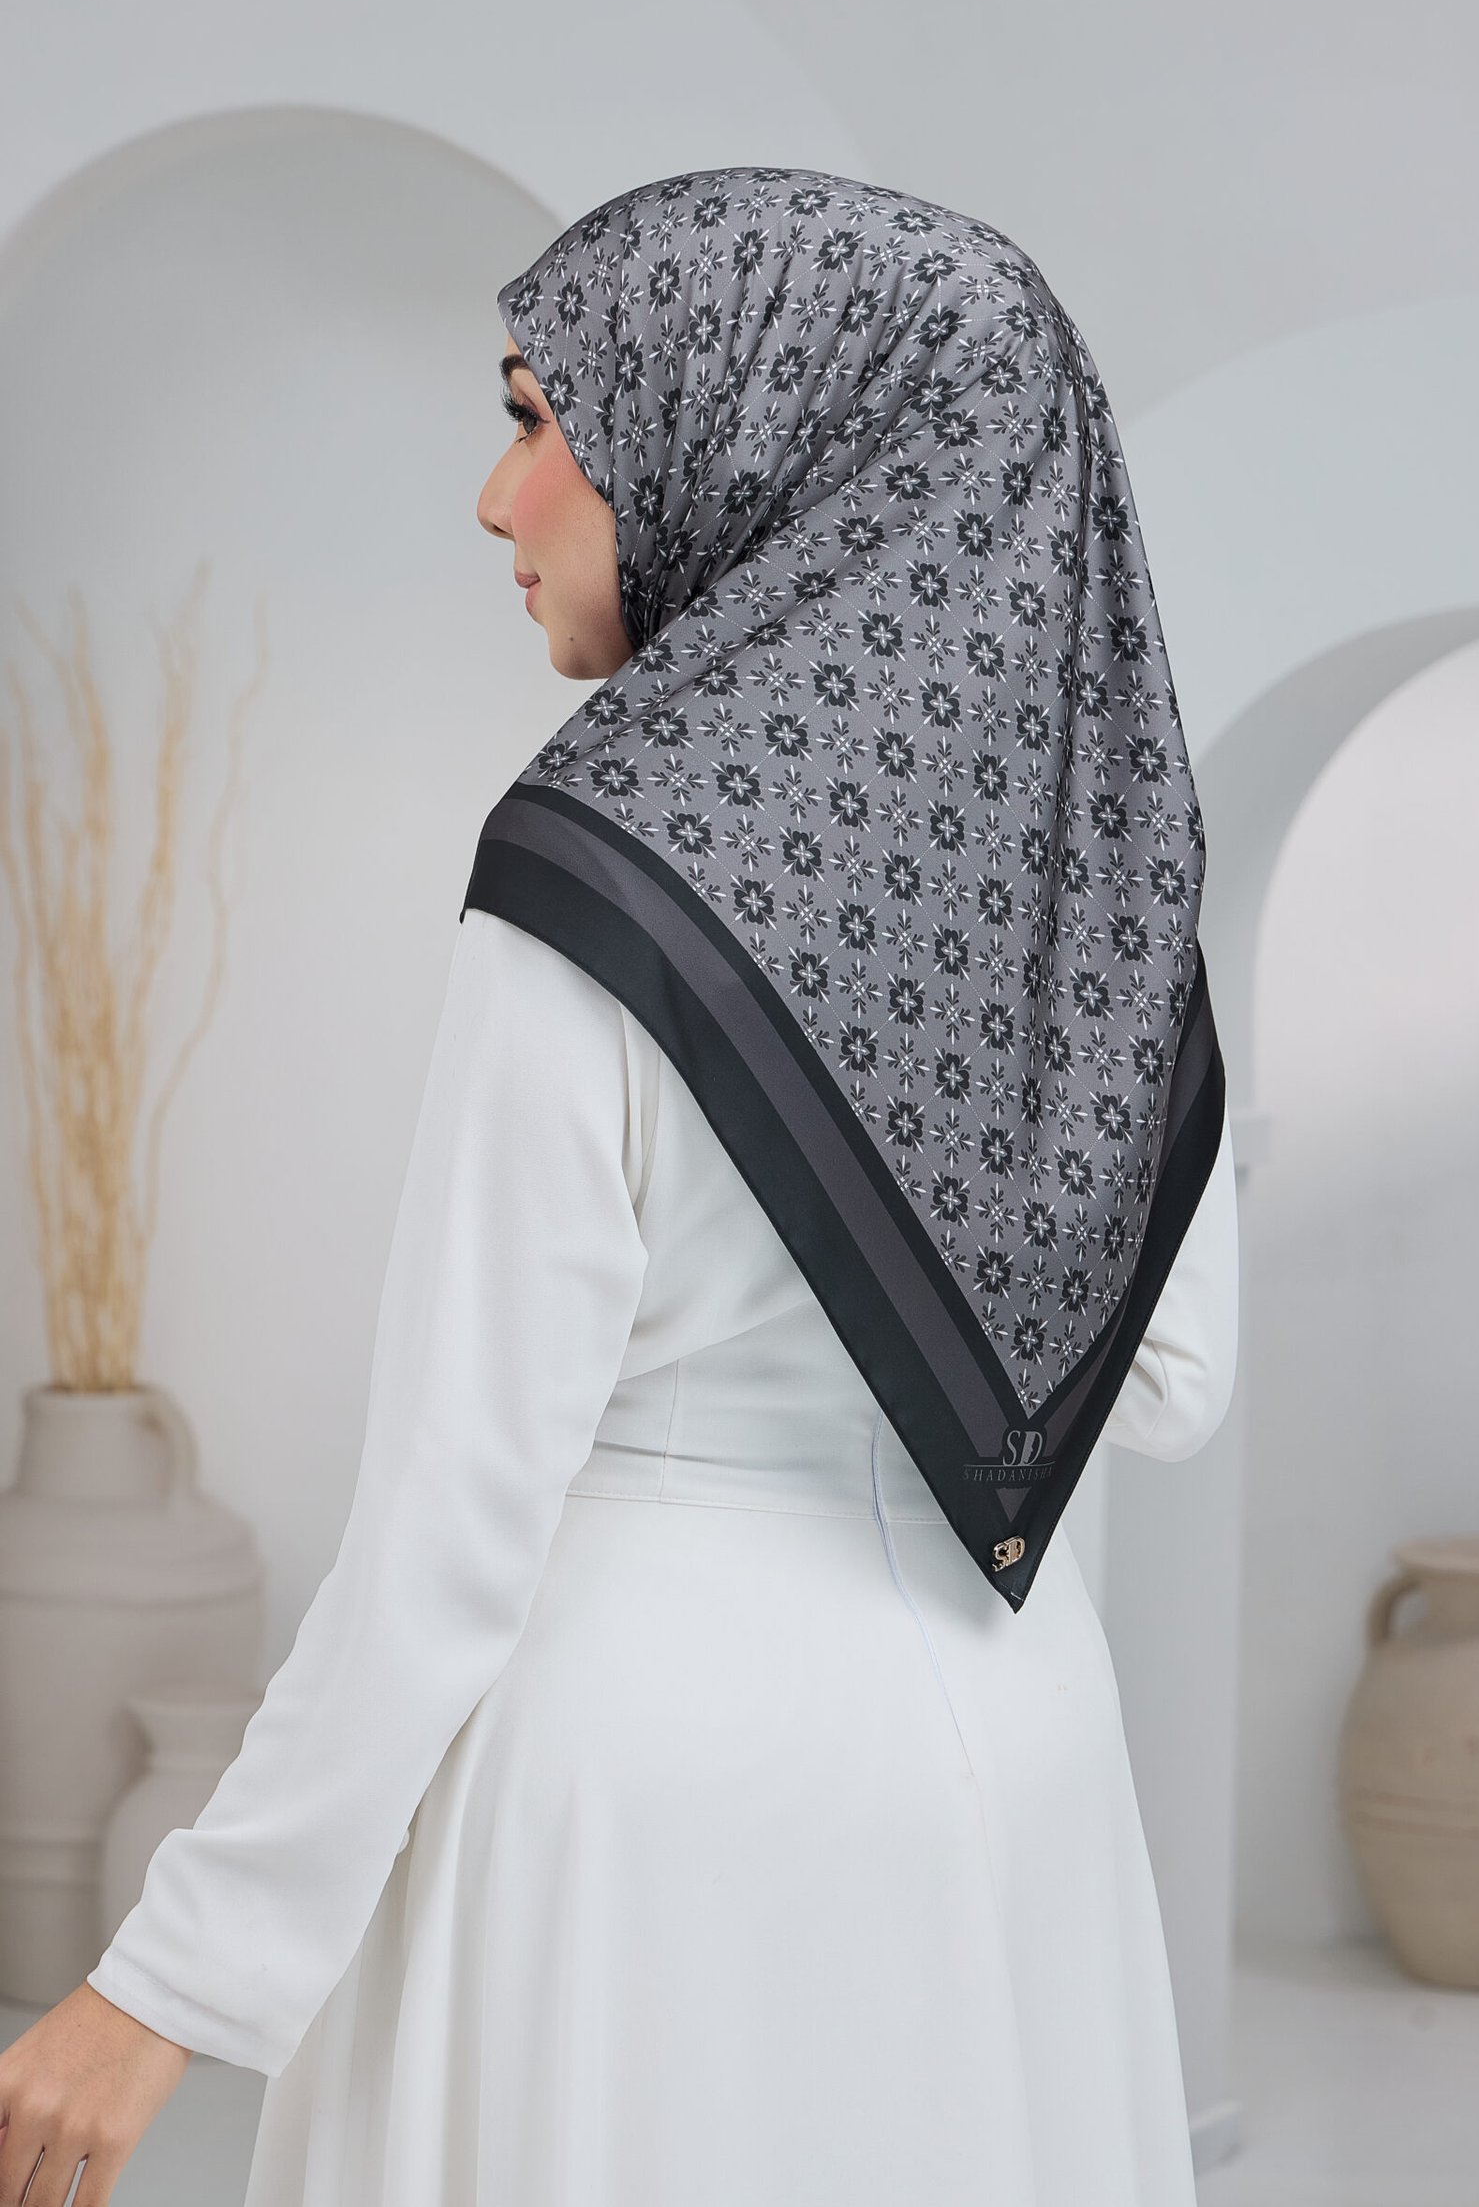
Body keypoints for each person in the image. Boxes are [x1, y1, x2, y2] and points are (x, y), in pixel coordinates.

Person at [0, 167, 1238, 2207]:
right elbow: (1171, 1383)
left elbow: (448, 1522)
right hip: (1010, 1761)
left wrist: (164, 1985)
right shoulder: (1088, 891)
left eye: (534, 415)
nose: (498, 498)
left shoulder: (599, 873)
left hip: (642, 1798)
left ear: (741, 420)